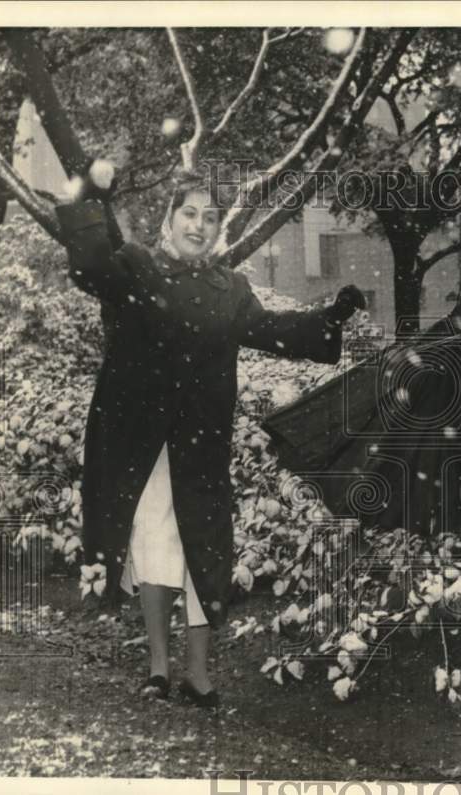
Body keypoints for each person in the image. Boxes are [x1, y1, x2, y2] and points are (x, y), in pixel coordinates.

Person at [56, 171, 365, 708]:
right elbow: (90, 267)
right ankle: (158, 667)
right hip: (146, 444)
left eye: (210, 217)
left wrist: (329, 318)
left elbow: (274, 331)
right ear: (168, 220)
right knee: (155, 549)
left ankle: (198, 675)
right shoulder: (138, 267)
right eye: (189, 214)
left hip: (202, 445)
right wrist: (89, 198)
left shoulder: (231, 290)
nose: (199, 225)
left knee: (203, 551)